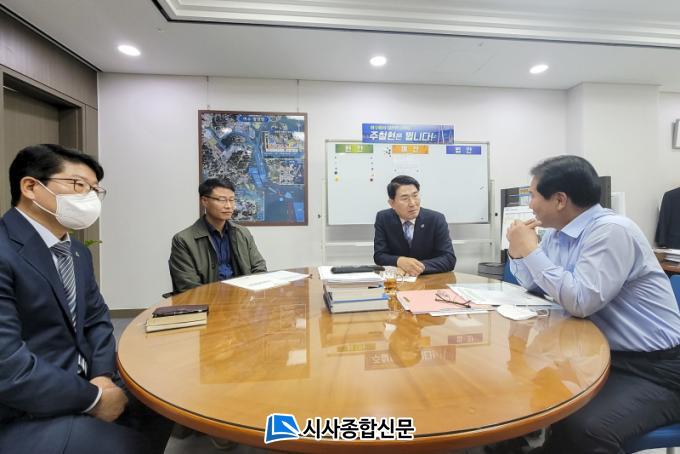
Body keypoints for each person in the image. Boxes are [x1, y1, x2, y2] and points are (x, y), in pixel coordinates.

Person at [0, 144, 172, 453]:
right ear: (30, 187)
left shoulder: (77, 252)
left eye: (94, 190)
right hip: (24, 407)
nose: (89, 198)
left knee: (164, 398)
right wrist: (93, 399)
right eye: (78, 185)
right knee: (127, 445)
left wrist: (103, 377)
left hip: (88, 380)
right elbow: (8, 365)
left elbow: (97, 320)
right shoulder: (5, 250)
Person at [507, 155, 680, 453]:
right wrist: (518, 251)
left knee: (584, 427)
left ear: (559, 200)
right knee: (524, 387)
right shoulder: (557, 235)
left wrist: (531, 252)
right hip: (598, 354)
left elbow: (580, 301)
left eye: (533, 195)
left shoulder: (611, 231)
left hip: (653, 368)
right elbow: (533, 284)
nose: (530, 204)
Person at [170, 177, 267, 293]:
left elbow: (259, 268)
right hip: (206, 301)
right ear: (204, 201)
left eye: (232, 200)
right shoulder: (183, 240)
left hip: (242, 298)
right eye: (222, 200)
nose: (229, 206)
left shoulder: (242, 233)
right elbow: (188, 286)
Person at [373, 175, 456, 276]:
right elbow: (379, 255)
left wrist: (414, 267)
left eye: (415, 195)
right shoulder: (383, 218)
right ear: (392, 203)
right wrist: (399, 261)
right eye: (405, 198)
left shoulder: (436, 219)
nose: (412, 203)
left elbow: (449, 258)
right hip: (398, 280)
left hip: (430, 279)